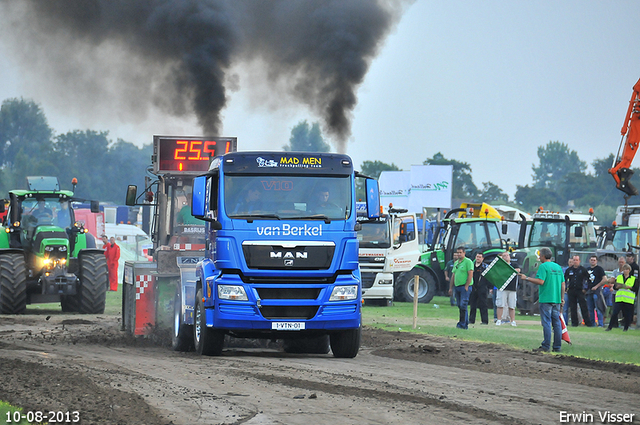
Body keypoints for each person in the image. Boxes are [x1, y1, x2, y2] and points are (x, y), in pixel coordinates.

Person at [520, 247, 564, 353]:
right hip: (556, 299)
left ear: (543, 256)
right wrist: (562, 298)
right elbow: (563, 284)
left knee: (546, 323)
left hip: (546, 298)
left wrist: (526, 278)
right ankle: (557, 346)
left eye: (539, 255)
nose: (539, 257)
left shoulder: (543, 266)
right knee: (557, 323)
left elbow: (540, 281)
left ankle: (546, 345)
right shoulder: (557, 267)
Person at [606, 264, 636, 331]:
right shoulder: (619, 277)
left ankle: (626, 328)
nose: (625, 271)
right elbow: (614, 287)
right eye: (624, 269)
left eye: (627, 269)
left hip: (628, 299)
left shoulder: (633, 278)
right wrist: (617, 287)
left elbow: (635, 288)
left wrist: (629, 287)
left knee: (627, 315)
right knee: (615, 313)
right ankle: (609, 327)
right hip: (619, 298)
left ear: (629, 270)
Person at [449, 247, 473, 330]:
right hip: (457, 287)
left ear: (464, 253)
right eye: (457, 252)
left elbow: (470, 274)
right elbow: (453, 275)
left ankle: (462, 324)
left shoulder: (468, 262)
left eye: (460, 252)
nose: (459, 254)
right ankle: (463, 322)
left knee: (463, 305)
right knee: (459, 305)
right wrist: (451, 287)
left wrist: (467, 285)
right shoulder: (456, 263)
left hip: (464, 287)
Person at [564, 255, 591, 327]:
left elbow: (588, 280)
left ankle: (587, 322)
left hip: (580, 291)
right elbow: (565, 280)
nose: (575, 261)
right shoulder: (569, 270)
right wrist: (565, 288)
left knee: (583, 307)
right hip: (571, 290)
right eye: (574, 260)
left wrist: (585, 289)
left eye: (576, 260)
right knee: (573, 307)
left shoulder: (583, 270)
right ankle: (574, 323)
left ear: (579, 261)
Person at [496, 251, 520, 326]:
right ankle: (499, 320)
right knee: (500, 304)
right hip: (502, 287)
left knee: (512, 306)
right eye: (504, 256)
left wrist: (509, 271)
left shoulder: (514, 264)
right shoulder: (500, 266)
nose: (506, 257)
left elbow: (518, 270)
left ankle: (512, 321)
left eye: (507, 255)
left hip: (512, 288)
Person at [585, 255, 606, 327]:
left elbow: (605, 279)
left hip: (597, 292)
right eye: (591, 260)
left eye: (594, 260)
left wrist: (597, 286)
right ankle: (592, 324)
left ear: (596, 261)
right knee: (590, 309)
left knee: (598, 308)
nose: (592, 261)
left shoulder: (599, 269)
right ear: (589, 260)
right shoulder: (587, 269)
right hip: (589, 291)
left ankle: (600, 324)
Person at [468, 252, 489, 325]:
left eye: (480, 257)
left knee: (483, 304)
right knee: (472, 304)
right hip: (473, 287)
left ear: (483, 259)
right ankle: (471, 320)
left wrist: (489, 287)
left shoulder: (485, 267)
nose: (478, 258)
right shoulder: (472, 266)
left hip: (482, 288)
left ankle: (484, 321)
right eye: (477, 257)